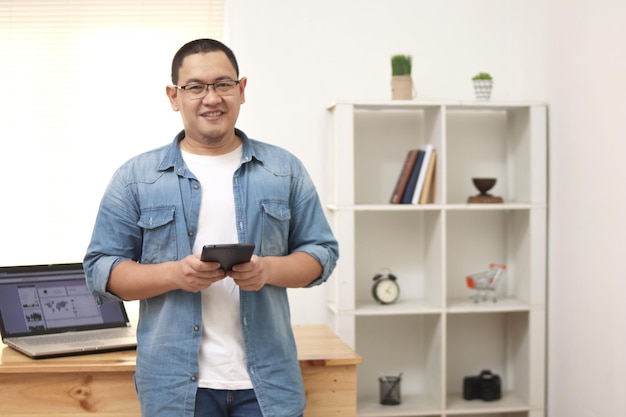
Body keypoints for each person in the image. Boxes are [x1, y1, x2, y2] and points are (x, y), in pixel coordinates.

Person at [83, 38, 339, 417]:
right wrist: (175, 274)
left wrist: (267, 270)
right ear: (174, 96)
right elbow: (102, 270)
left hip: (268, 385)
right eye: (195, 87)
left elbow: (322, 255)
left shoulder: (284, 170)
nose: (211, 98)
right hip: (174, 389)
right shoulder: (135, 178)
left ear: (241, 90)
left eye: (223, 84)